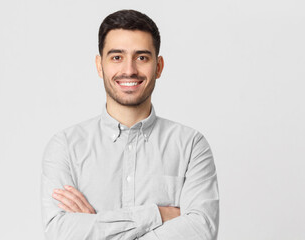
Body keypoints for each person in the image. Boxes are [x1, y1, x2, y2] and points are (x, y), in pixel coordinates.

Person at [41, 9, 219, 240]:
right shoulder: (65, 146)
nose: (129, 70)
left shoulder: (191, 146)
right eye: (117, 57)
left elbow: (201, 230)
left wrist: (97, 226)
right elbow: (59, 233)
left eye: (142, 57)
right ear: (99, 65)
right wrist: (159, 214)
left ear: (159, 66)